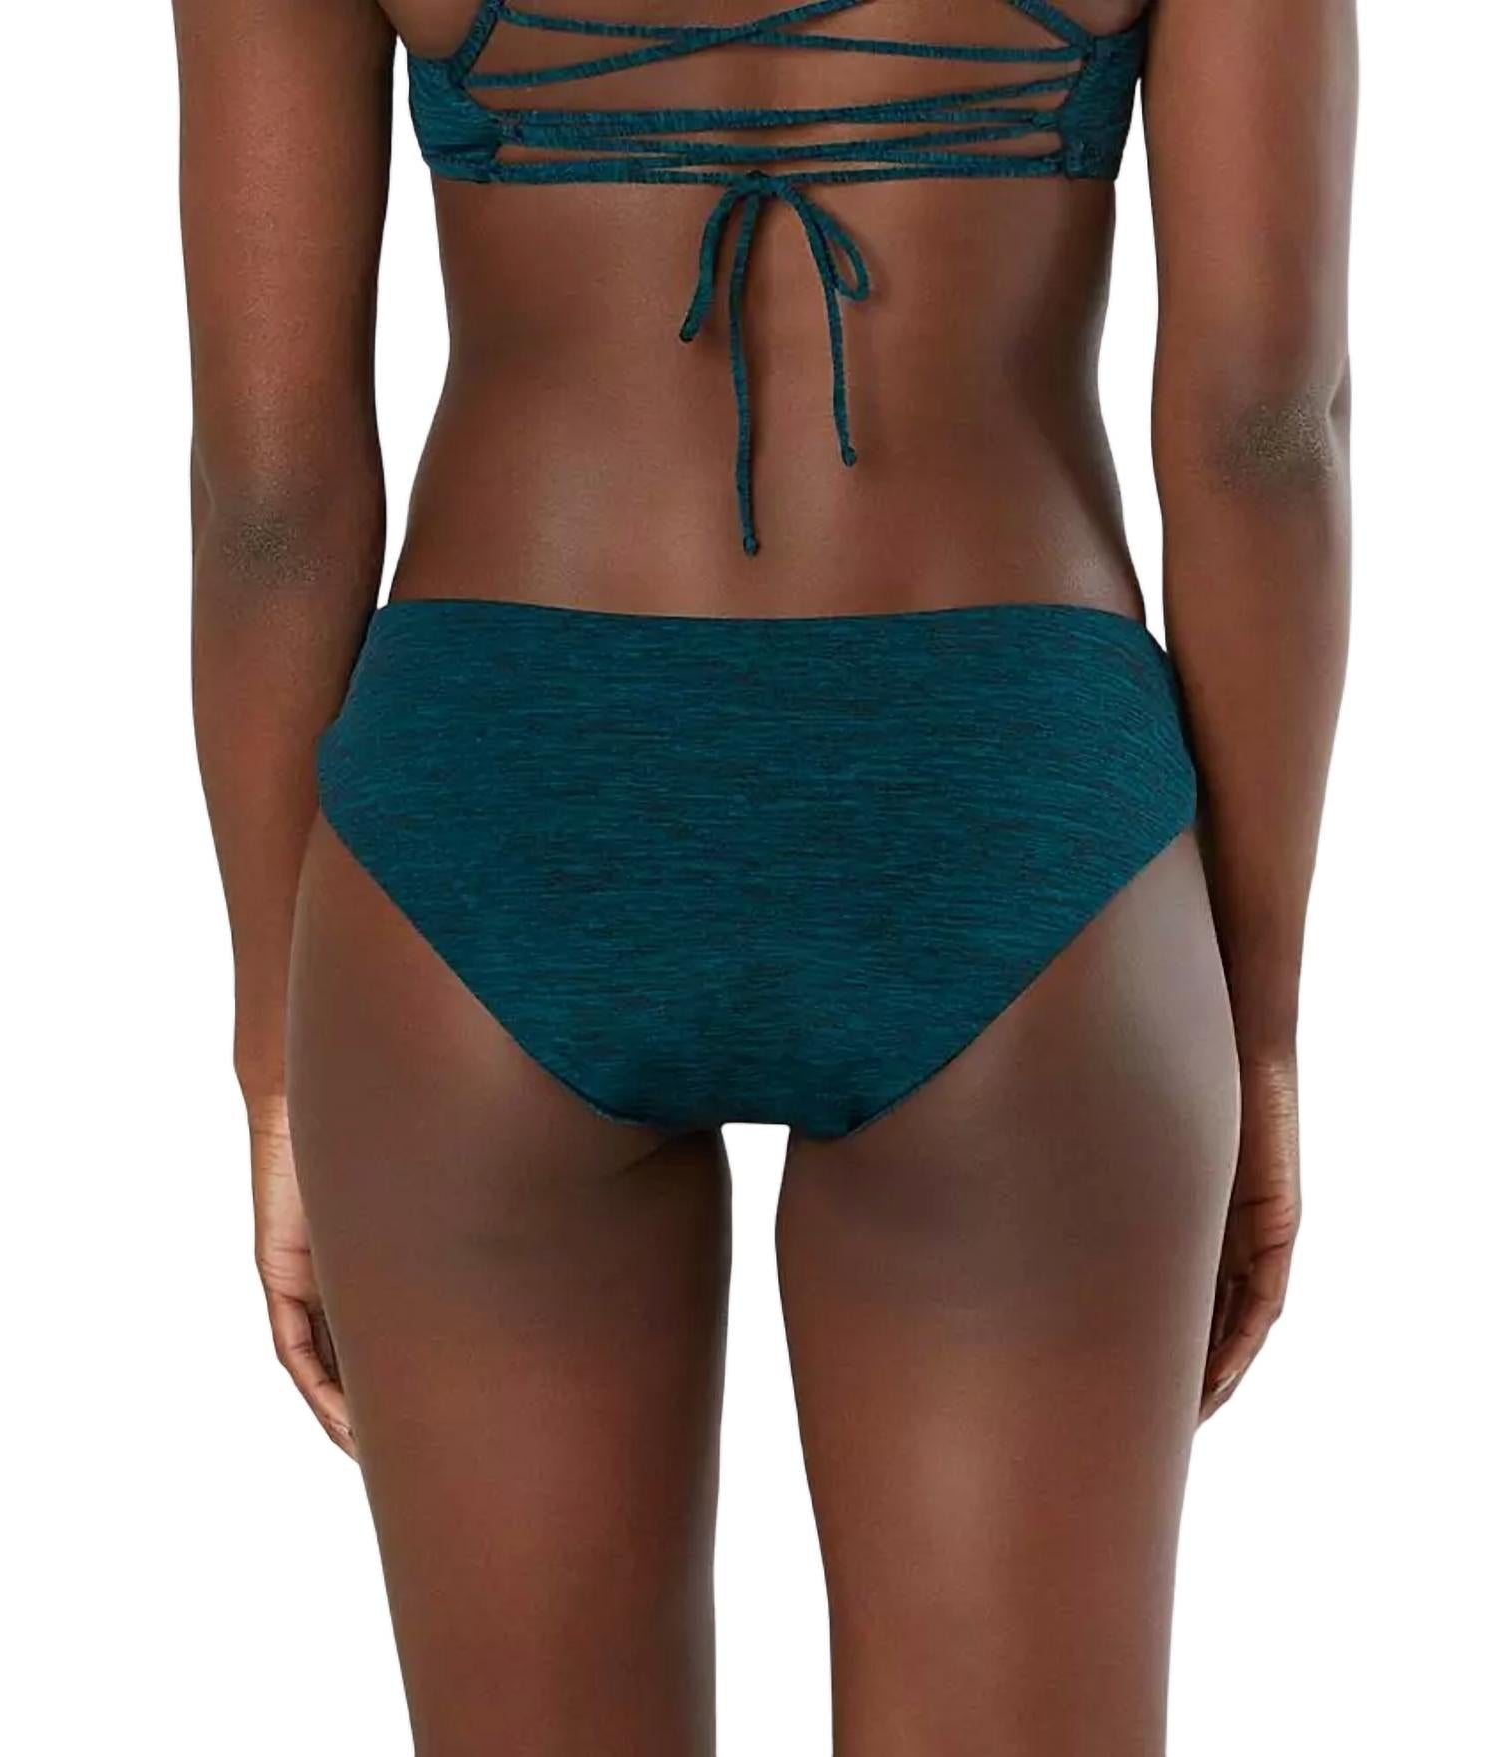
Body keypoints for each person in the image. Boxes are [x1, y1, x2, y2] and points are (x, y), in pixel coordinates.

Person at [172, 1, 1356, 1750]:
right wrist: (1253, 1029)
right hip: (1009, 792)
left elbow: (269, 502)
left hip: (494, 794)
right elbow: (1265, 433)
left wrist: (278, 1057)